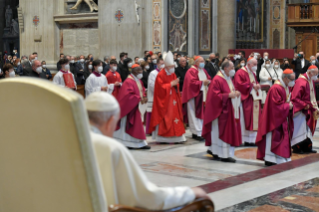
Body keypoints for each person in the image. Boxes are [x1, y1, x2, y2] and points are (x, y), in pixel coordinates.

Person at [85, 92, 209, 210]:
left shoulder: (69, 140)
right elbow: (148, 198)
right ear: (111, 121)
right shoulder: (110, 148)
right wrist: (189, 193)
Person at [202, 61, 242, 163]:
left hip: (228, 109)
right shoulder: (217, 79)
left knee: (222, 133)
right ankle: (224, 155)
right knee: (221, 132)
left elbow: (230, 89)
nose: (234, 69)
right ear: (226, 68)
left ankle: (217, 152)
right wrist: (228, 95)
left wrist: (235, 92)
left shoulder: (227, 78)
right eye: (232, 67)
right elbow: (214, 96)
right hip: (220, 111)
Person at [256, 69, 295, 166]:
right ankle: (271, 159)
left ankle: (281, 157)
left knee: (283, 136)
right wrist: (288, 106)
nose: (293, 82)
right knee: (274, 137)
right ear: (285, 78)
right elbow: (275, 107)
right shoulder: (276, 88)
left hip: (282, 118)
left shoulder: (285, 87)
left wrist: (289, 106)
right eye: (292, 80)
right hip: (274, 120)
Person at [150, 51, 186, 143]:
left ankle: (178, 137)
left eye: (174, 67)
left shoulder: (172, 73)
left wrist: (175, 84)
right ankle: (164, 138)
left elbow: (175, 85)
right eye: (172, 67)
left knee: (176, 116)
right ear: (166, 66)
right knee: (167, 116)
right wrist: (171, 84)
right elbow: (159, 89)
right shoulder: (160, 75)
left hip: (173, 98)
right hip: (165, 100)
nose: (173, 69)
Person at [113, 64, 150, 149]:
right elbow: (127, 96)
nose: (141, 72)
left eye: (141, 70)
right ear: (133, 71)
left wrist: (144, 96)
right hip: (129, 108)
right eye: (139, 70)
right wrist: (139, 98)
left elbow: (142, 90)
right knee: (130, 125)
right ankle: (128, 143)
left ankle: (140, 143)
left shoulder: (138, 80)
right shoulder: (128, 81)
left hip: (136, 105)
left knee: (138, 125)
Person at [291, 65, 319, 154]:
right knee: (300, 129)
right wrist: (304, 105)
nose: (317, 76)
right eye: (316, 74)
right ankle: (297, 147)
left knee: (307, 130)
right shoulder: (301, 82)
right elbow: (295, 97)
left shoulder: (310, 80)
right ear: (310, 73)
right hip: (301, 110)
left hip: (308, 108)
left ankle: (307, 147)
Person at [182, 56, 211, 141]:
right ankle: (196, 133)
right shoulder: (191, 71)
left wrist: (208, 81)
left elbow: (209, 78)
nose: (203, 63)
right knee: (194, 114)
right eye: (202, 61)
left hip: (203, 95)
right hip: (194, 96)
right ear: (196, 62)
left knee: (201, 115)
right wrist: (202, 83)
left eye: (204, 61)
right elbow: (191, 83)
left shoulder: (203, 70)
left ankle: (200, 132)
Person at [234, 57, 262, 146]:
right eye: (254, 64)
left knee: (254, 119)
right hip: (245, 99)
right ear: (249, 64)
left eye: (256, 64)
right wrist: (251, 86)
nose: (256, 66)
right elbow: (239, 85)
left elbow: (255, 82)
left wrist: (257, 85)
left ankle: (252, 139)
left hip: (253, 99)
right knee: (245, 119)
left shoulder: (252, 73)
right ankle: (246, 139)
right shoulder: (240, 72)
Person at [146, 59, 165, 134]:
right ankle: (151, 130)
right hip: (154, 96)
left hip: (163, 97)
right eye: (161, 63)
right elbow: (152, 85)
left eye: (164, 63)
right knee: (153, 113)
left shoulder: (165, 73)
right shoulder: (153, 73)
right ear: (157, 64)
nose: (162, 65)